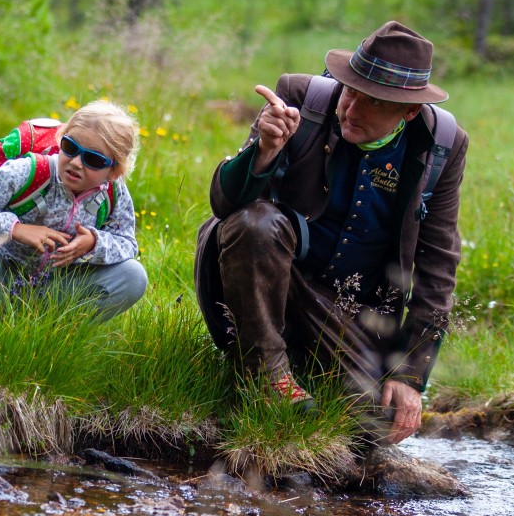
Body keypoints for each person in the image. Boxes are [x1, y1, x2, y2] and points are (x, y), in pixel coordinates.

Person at [194, 22, 468, 444]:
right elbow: (225, 209)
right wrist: (263, 152)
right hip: (272, 284)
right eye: (350, 89)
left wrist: (410, 374)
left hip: (351, 310)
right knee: (256, 223)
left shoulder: (441, 145)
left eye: (373, 101)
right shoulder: (299, 100)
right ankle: (267, 375)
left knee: (369, 428)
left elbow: (438, 264)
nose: (351, 108)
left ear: (408, 111)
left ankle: (296, 371)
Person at [0, 100, 148, 321]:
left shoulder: (113, 193)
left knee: (133, 276)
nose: (76, 162)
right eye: (70, 147)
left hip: (54, 291)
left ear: (114, 171)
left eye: (93, 159)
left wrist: (94, 243)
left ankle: (50, 335)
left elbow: (127, 243)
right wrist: (14, 228)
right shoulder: (30, 171)